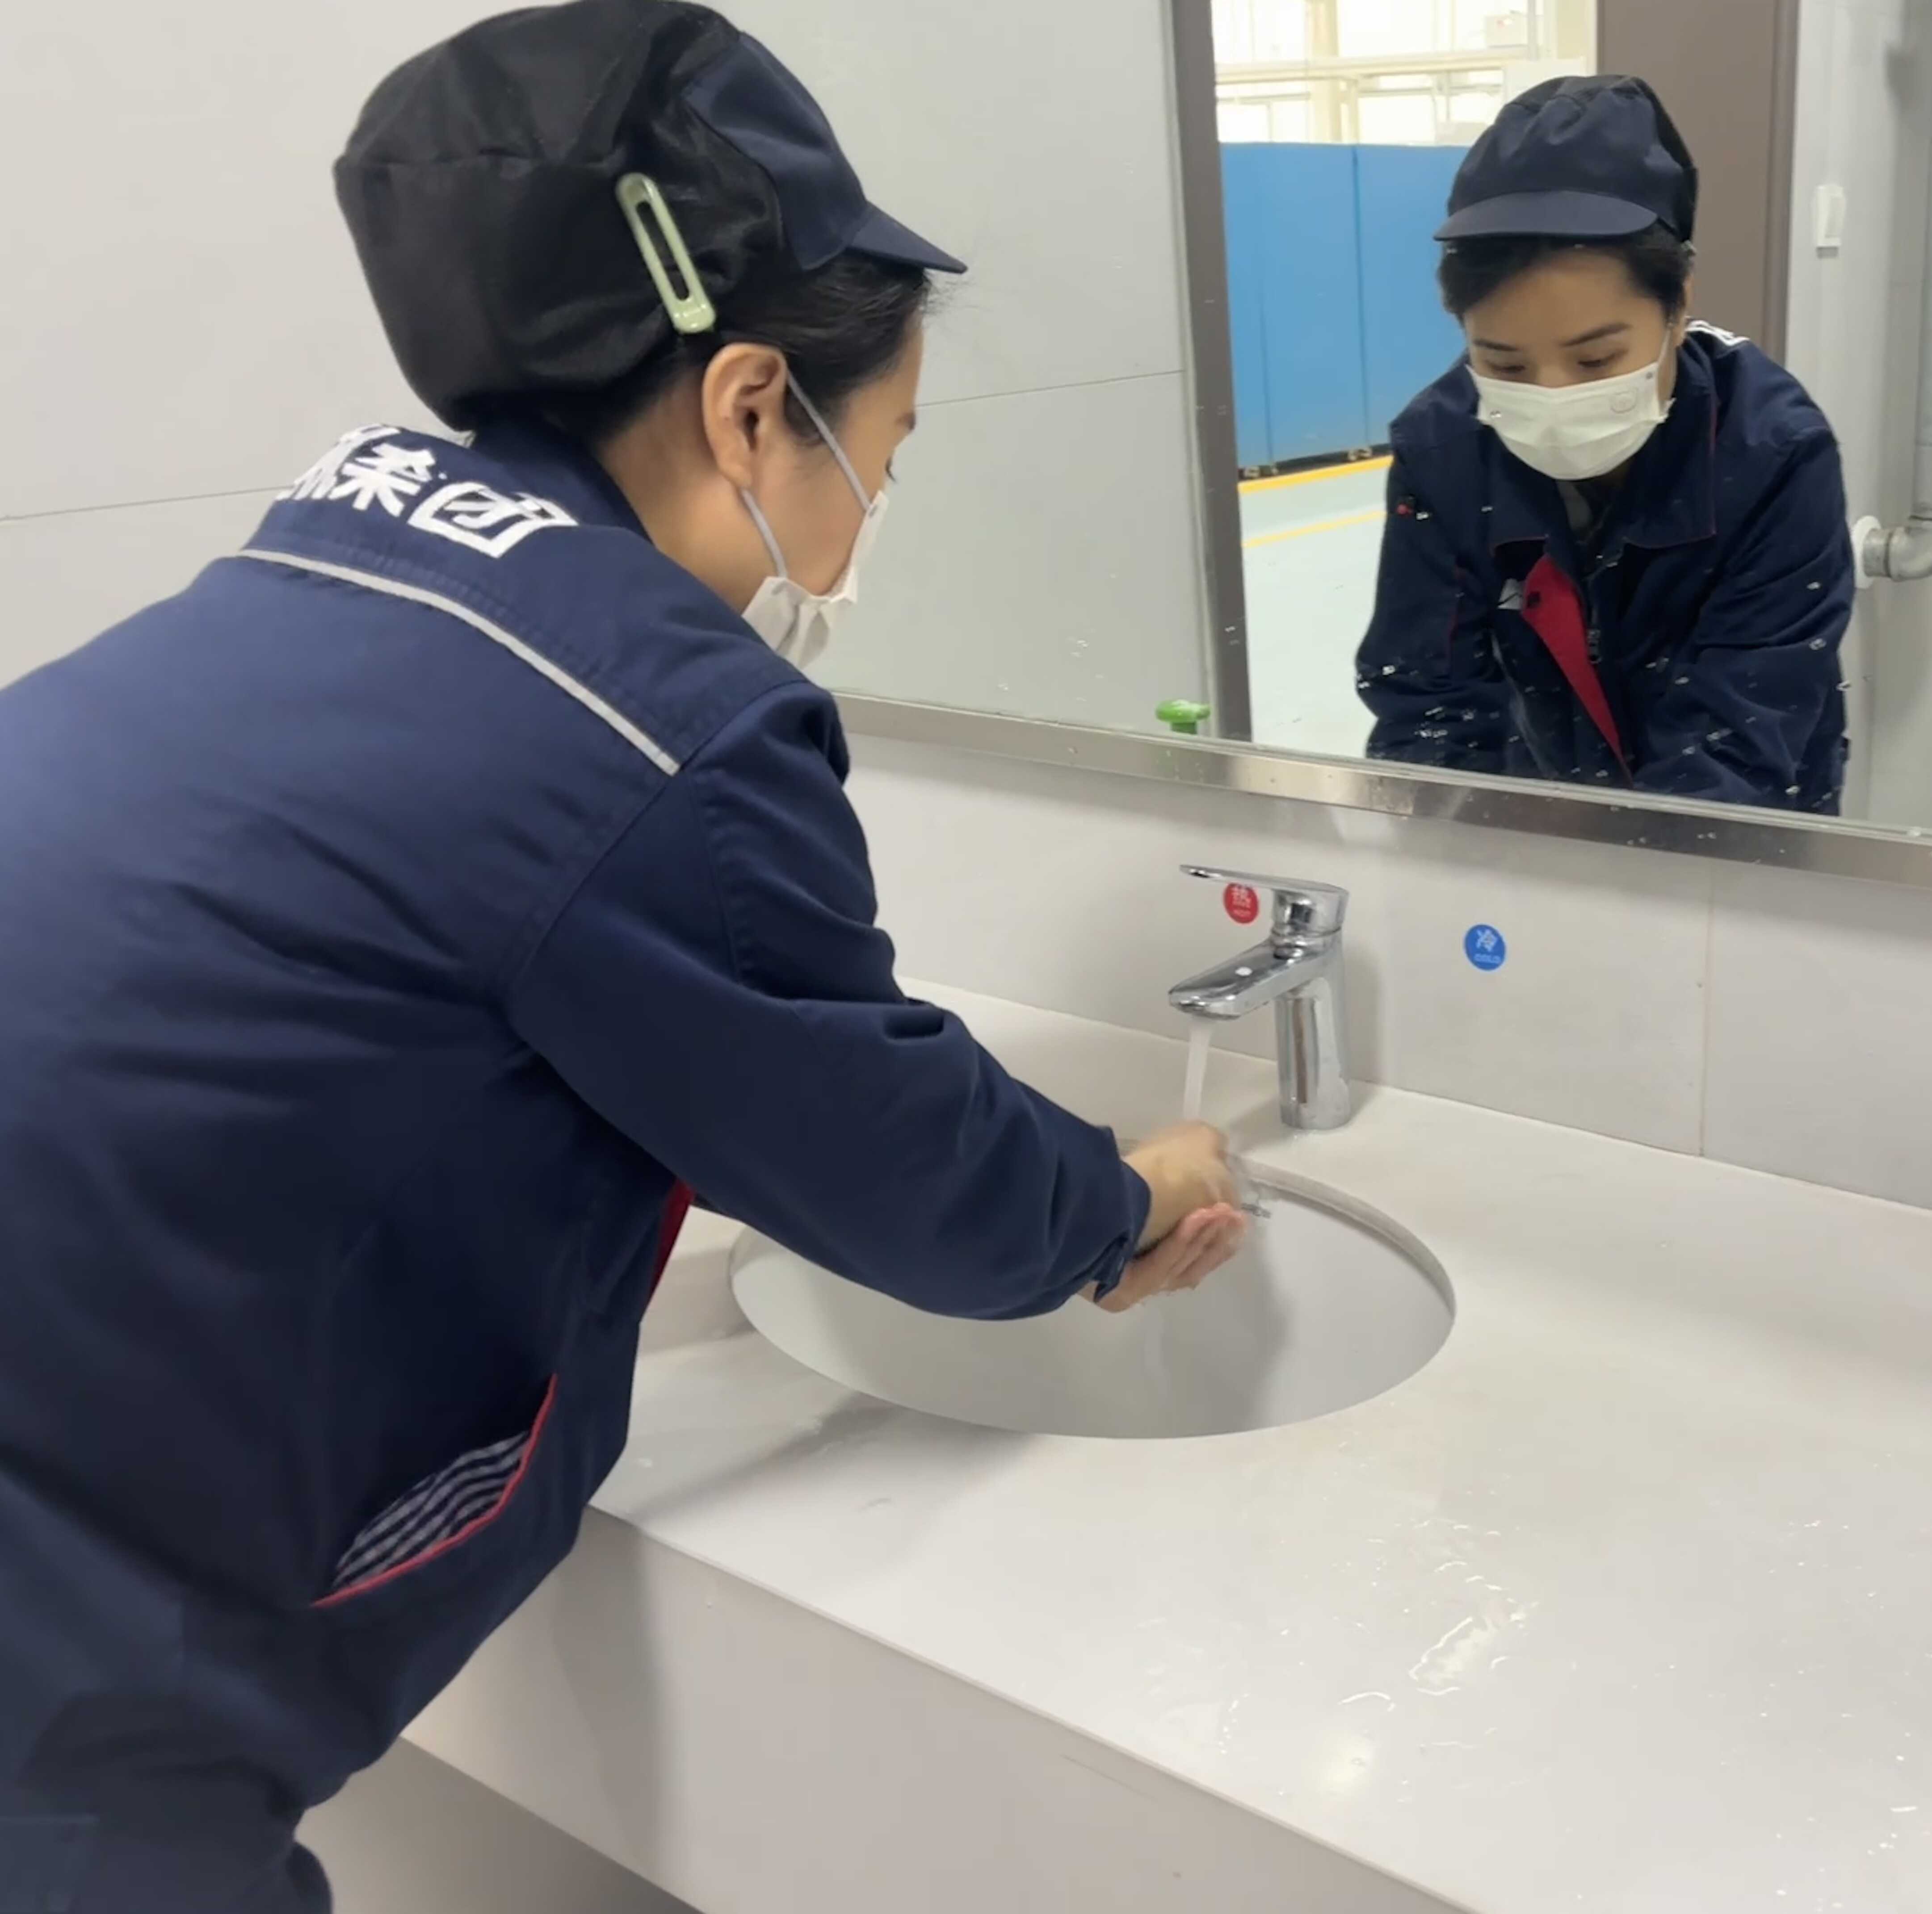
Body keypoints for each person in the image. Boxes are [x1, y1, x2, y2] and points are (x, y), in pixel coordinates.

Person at [0, 4, 1246, 1906]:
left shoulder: (313, 576)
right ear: (751, 406)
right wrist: (1120, 1198)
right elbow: (886, 1156)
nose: (874, 506)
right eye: (884, 448)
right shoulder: (650, 721)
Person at [1356, 76, 1853, 810]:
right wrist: (1454, 848)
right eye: (1505, 365)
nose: (1553, 396)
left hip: (1745, 825)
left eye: (1595, 360)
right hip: (1545, 813)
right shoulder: (1444, 449)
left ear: (1678, 308)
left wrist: (1636, 871)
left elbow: (1742, 736)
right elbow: (1429, 702)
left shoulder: (1770, 454)